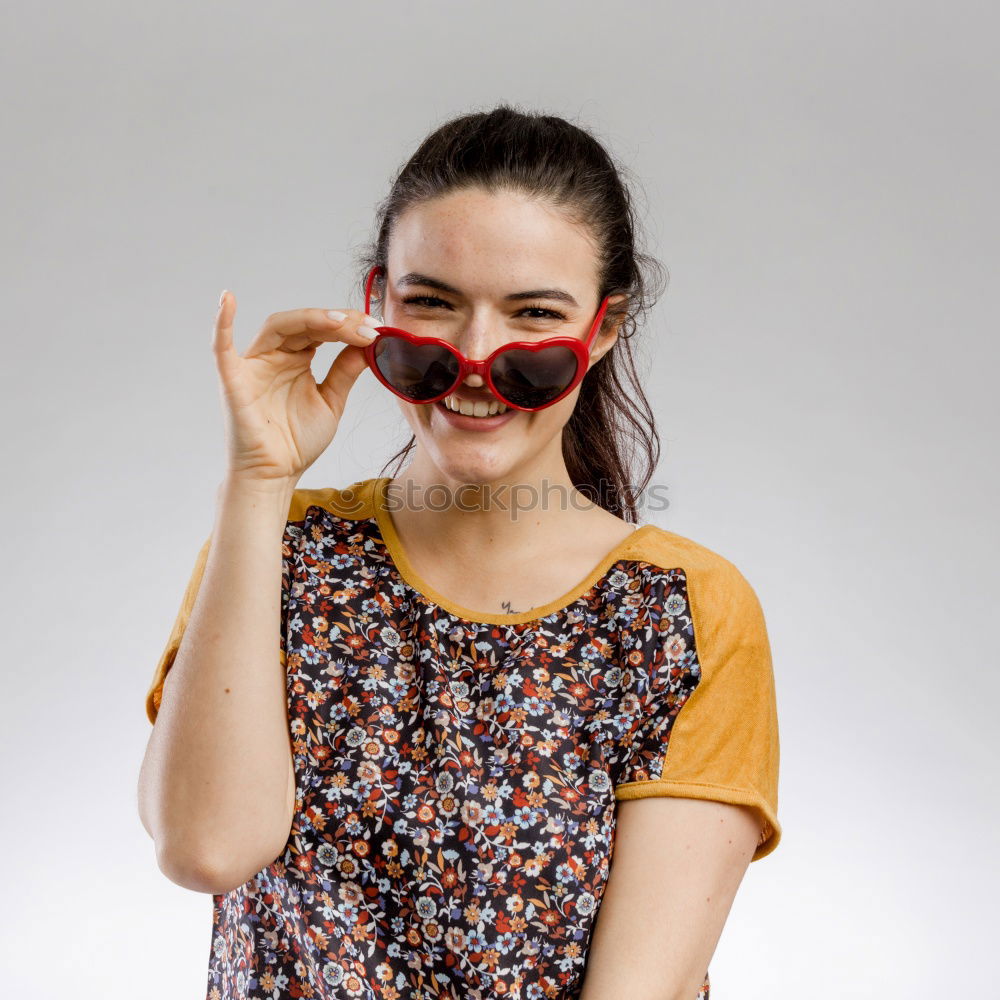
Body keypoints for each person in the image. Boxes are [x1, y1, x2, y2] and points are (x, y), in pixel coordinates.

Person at [137, 104, 781, 1000]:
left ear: (601, 328)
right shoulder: (275, 555)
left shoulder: (679, 611)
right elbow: (207, 847)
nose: (477, 358)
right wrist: (256, 481)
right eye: (432, 304)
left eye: (533, 315)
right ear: (376, 305)